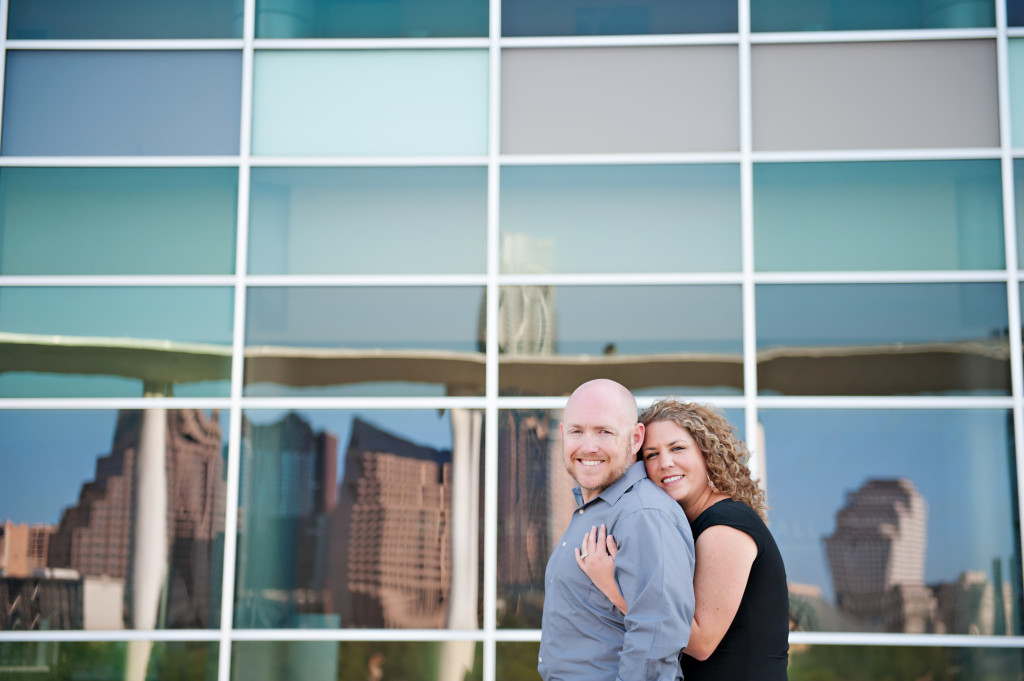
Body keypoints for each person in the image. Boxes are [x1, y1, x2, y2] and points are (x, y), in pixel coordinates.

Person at [577, 399, 789, 680]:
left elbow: (701, 642)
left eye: (677, 448)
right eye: (651, 454)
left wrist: (612, 586)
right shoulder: (684, 527)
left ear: (706, 454)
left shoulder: (726, 525)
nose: (665, 463)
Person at [538, 379, 696, 681]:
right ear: (562, 435)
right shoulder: (594, 509)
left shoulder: (644, 514)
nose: (587, 446)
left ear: (636, 438)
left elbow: (657, 635)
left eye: (604, 431)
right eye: (576, 431)